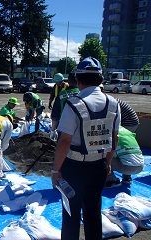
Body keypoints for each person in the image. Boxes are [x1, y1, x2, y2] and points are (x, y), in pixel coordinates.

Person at [51, 57, 121, 240]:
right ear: (101, 80)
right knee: (93, 212)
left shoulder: (73, 104)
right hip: (99, 165)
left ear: (78, 79)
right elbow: (115, 137)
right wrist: (107, 162)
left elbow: (64, 140)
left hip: (74, 166)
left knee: (71, 214)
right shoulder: (113, 103)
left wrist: (56, 170)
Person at [50, 71, 79, 141]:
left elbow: (55, 116)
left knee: (63, 149)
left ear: (68, 81)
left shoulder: (61, 95)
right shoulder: (83, 93)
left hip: (64, 127)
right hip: (80, 127)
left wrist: (53, 130)